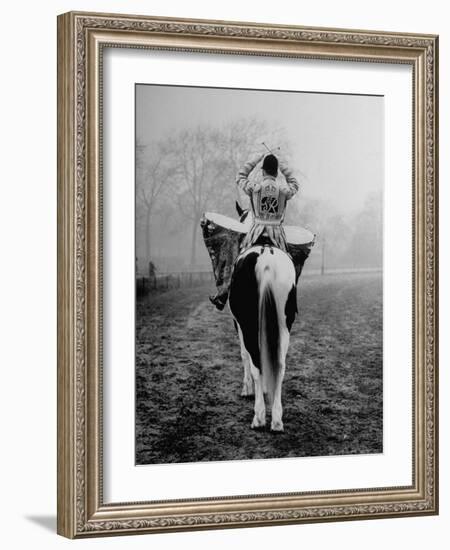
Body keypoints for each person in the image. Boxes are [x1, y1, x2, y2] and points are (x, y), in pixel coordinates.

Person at [208, 151, 299, 310]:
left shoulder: (254, 188)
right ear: (277, 172)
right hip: (277, 236)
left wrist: (256, 159)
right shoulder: (284, 190)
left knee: (235, 259)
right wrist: (282, 164)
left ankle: (223, 294)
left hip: (255, 233)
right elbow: (294, 182)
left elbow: (240, 176)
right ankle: (291, 297)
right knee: (292, 261)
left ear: (263, 171)